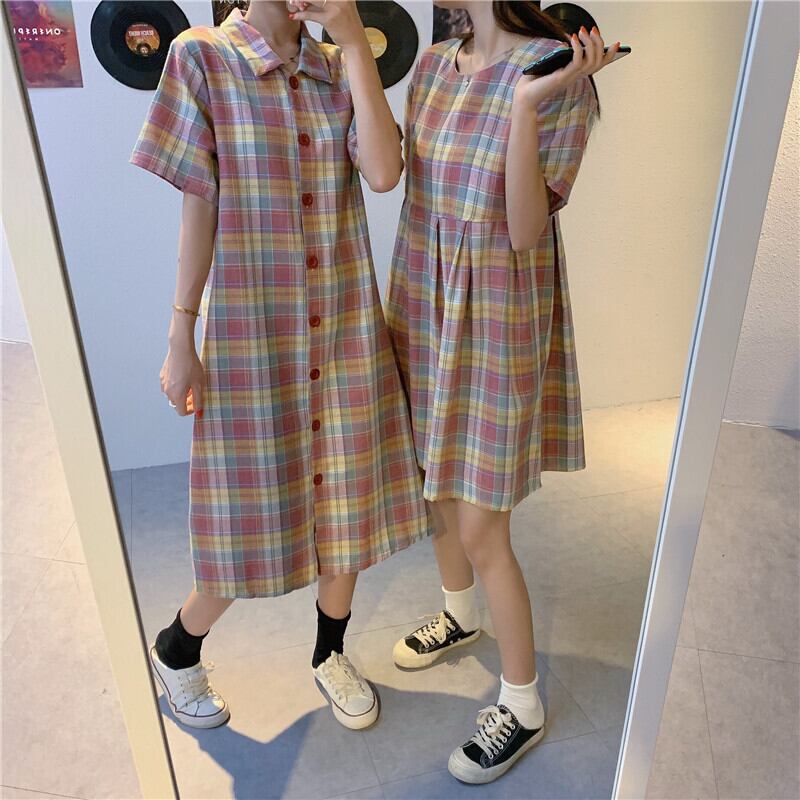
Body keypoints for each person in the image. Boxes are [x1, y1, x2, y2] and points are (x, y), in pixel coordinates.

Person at [129, 0, 431, 731]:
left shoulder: (337, 66)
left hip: (345, 327)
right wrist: (181, 335)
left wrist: (352, 40)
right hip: (252, 332)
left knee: (348, 501)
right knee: (248, 513)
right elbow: (199, 205)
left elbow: (383, 173)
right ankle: (177, 646)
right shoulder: (202, 57)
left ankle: (329, 652)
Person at [386, 1, 618, 783]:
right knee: (435, 487)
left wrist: (524, 104)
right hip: (423, 299)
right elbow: (408, 191)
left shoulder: (558, 78)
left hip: (494, 315)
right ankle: (459, 615)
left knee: (482, 524)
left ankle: (522, 704)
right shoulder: (431, 67)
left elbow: (523, 230)